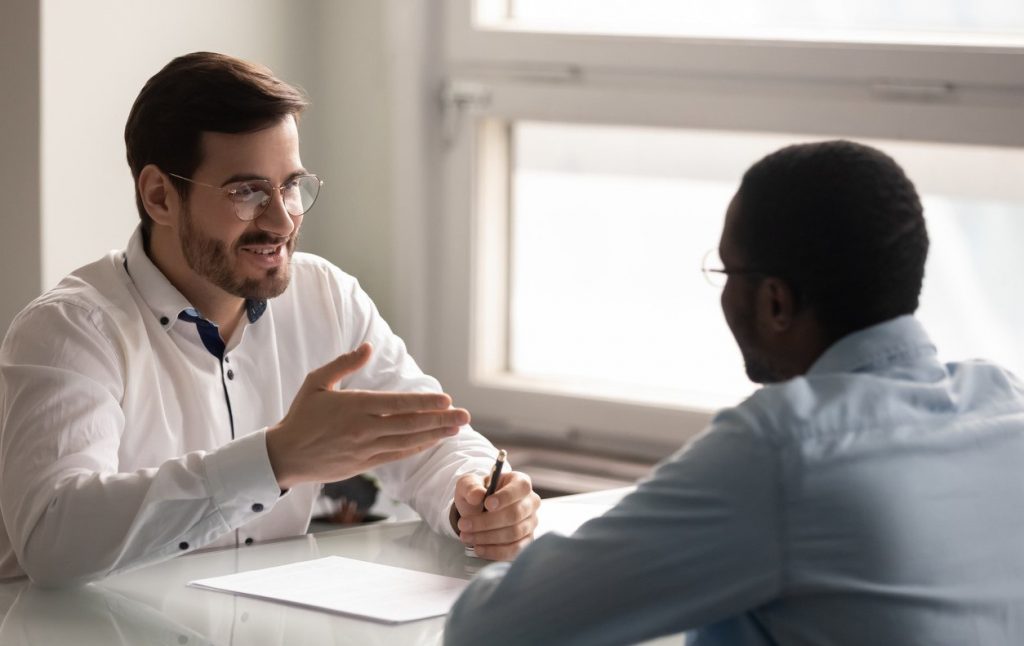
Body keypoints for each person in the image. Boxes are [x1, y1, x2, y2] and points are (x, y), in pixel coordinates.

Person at [444, 140, 1024, 645]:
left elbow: (490, 631)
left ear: (775, 301)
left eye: (725, 272)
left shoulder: (783, 449)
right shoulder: (1004, 405)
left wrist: (521, 570)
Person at [0, 52, 540, 586]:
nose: (283, 219)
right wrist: (272, 460)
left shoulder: (326, 296)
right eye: (247, 192)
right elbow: (52, 538)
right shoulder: (71, 330)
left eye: (289, 185)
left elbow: (430, 438)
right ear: (160, 196)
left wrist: (476, 499)